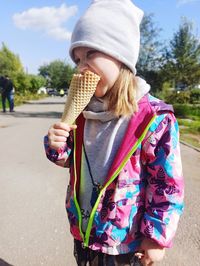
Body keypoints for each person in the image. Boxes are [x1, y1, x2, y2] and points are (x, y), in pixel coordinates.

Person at [44, 1, 184, 265]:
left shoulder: (154, 118)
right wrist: (56, 144)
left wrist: (156, 238)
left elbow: (167, 185)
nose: (81, 66)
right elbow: (66, 159)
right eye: (77, 59)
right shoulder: (83, 113)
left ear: (120, 55)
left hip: (125, 243)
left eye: (90, 54)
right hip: (85, 231)